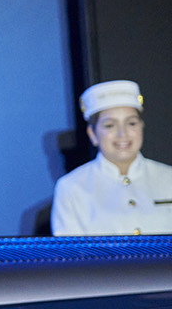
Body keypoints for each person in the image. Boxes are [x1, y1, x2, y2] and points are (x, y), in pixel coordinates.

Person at [51, 80, 172, 235]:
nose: (123, 134)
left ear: (142, 127)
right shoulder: (72, 188)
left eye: (132, 123)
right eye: (110, 125)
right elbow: (70, 256)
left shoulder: (168, 178)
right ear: (93, 134)